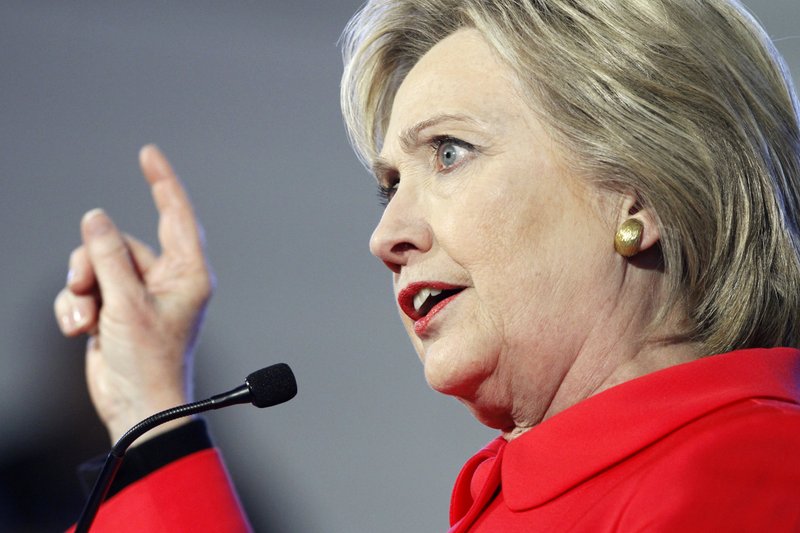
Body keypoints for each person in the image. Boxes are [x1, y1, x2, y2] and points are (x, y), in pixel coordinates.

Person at [55, 0, 800, 531]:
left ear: (637, 189)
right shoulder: (539, 491)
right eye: (389, 186)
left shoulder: (751, 468)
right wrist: (149, 404)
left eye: (448, 152)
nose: (386, 234)